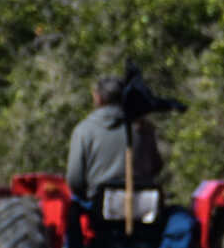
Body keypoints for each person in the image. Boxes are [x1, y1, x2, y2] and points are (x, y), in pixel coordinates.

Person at [66, 74, 166, 203]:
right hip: (142, 206)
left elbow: (75, 180)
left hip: (99, 207)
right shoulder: (144, 127)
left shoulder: (84, 130)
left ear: (97, 97)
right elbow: (156, 167)